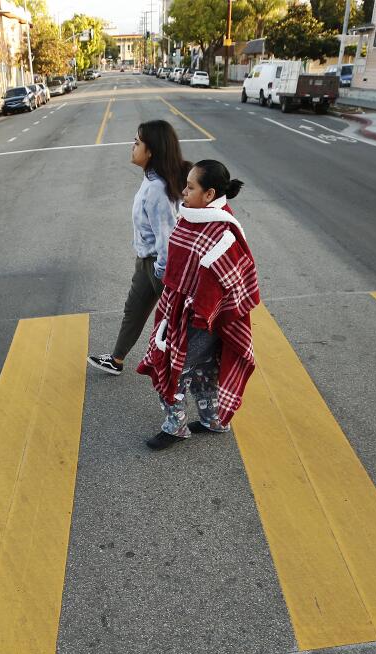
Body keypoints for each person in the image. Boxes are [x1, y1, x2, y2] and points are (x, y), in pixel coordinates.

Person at [136, 159, 260, 451]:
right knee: (203, 368)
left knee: (172, 367)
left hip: (203, 319)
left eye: (191, 187)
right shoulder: (192, 216)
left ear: (209, 194)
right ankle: (212, 419)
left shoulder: (223, 231)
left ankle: (176, 426)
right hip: (181, 311)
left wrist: (203, 313)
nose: (184, 191)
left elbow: (234, 274)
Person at [88, 120, 190, 375]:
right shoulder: (152, 179)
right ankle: (117, 359)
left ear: (151, 150)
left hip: (158, 266)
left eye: (137, 142)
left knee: (174, 324)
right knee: (134, 310)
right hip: (146, 263)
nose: (132, 146)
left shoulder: (157, 188)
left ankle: (188, 373)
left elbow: (166, 236)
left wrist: (160, 273)